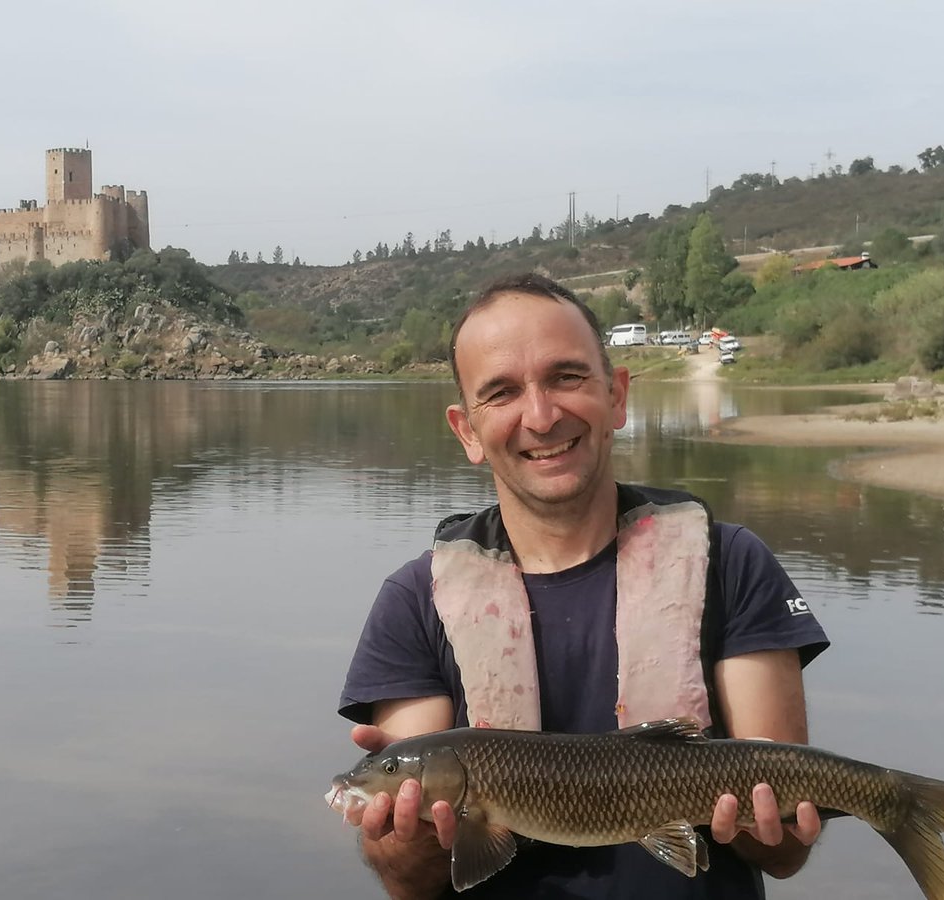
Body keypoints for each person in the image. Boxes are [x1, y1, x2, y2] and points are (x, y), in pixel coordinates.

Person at [336, 273, 829, 899]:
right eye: (503, 392)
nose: (541, 416)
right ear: (466, 431)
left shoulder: (730, 563)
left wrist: (770, 825)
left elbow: (783, 852)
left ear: (618, 396)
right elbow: (408, 882)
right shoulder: (414, 600)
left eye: (567, 377)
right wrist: (404, 831)